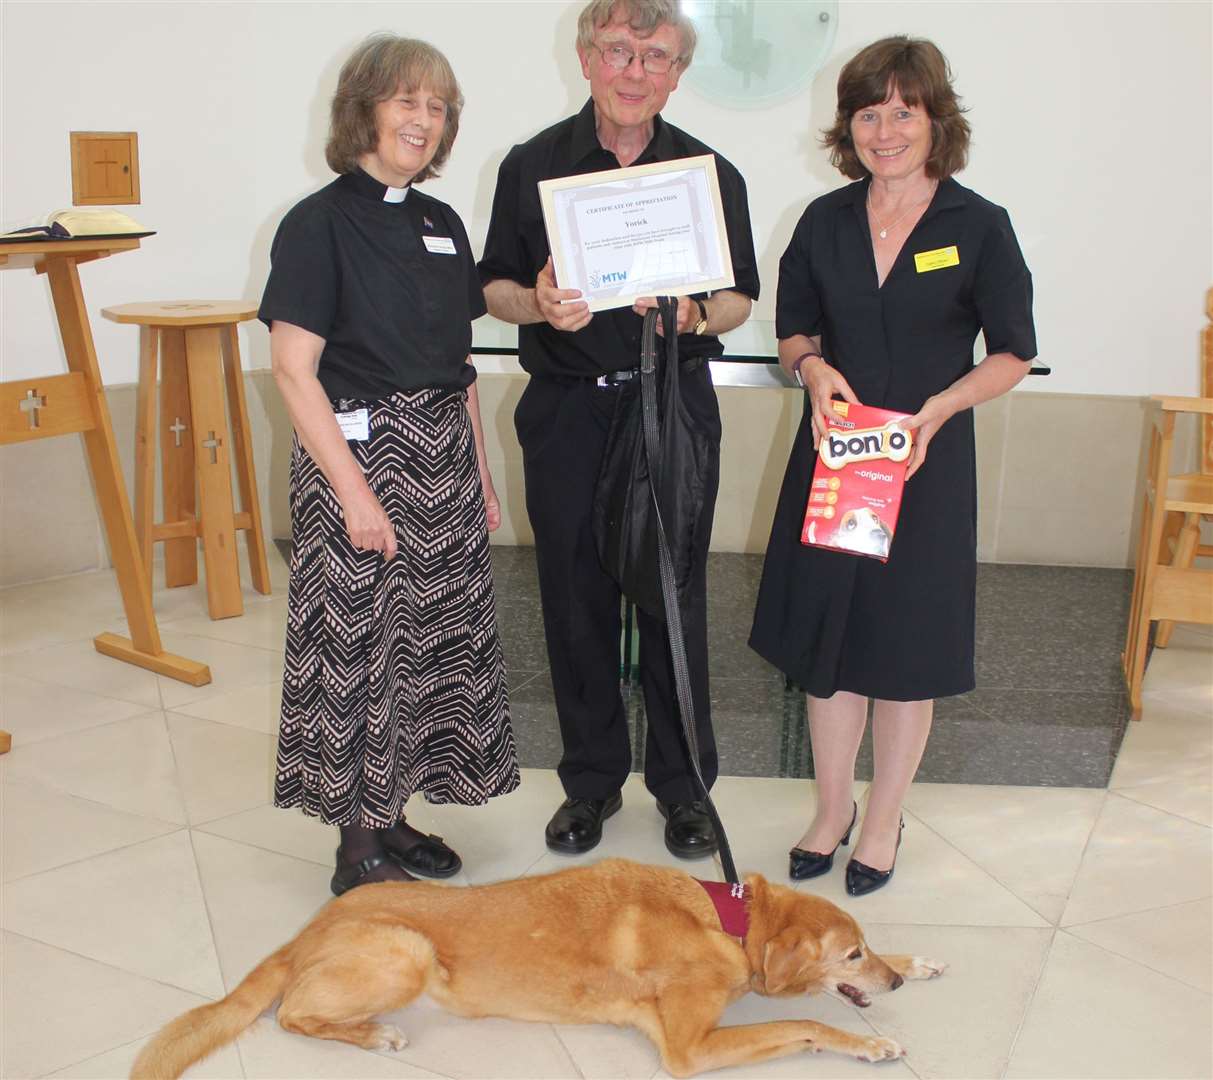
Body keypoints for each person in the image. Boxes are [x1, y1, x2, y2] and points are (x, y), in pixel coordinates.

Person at [749, 36, 1037, 896]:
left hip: (923, 466)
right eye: (867, 113)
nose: (883, 130)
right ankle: (832, 809)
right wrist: (811, 371)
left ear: (933, 119)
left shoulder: (976, 225)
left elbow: (1014, 352)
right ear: (848, 127)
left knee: (906, 646)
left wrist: (940, 411)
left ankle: (883, 818)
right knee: (830, 641)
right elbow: (791, 328)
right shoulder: (822, 220)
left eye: (902, 112)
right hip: (837, 460)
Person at [478, 0, 759, 859]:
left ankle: (683, 791)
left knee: (673, 599)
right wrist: (538, 302)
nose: (634, 69)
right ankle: (590, 784)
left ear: (677, 73)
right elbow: (490, 287)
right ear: (585, 58)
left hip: (668, 410)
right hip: (567, 411)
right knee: (573, 602)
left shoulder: (709, 174)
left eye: (654, 55)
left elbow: (739, 299)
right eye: (617, 51)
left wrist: (693, 314)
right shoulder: (532, 165)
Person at [259, 34, 519, 896]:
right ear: (364, 108)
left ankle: (395, 815)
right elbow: (294, 371)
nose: (422, 119)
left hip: (442, 455)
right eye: (406, 100)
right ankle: (355, 848)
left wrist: (477, 470)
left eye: (437, 106)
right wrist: (356, 496)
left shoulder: (443, 224)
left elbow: (459, 364)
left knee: (427, 648)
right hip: (359, 461)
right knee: (362, 653)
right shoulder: (316, 224)